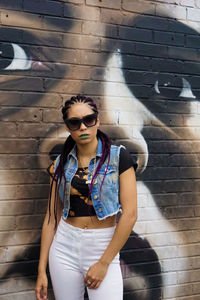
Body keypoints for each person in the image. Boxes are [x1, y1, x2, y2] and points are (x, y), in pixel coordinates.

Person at [35, 94, 138, 300]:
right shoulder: (60, 165)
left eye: (88, 120)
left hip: (102, 247)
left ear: (97, 121)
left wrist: (104, 263)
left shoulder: (119, 158)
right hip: (64, 247)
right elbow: (51, 218)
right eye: (75, 122)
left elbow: (130, 215)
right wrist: (41, 271)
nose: (83, 127)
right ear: (68, 127)